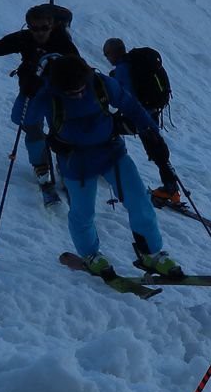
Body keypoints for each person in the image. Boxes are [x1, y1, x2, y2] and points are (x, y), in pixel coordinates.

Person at [24, 54, 182, 277]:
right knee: (83, 213)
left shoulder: (99, 83)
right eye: (72, 93)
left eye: (81, 89)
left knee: (139, 200)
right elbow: (23, 119)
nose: (78, 95)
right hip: (75, 162)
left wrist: (152, 135)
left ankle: (151, 254)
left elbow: (131, 106)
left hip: (112, 153)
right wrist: (27, 93)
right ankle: (90, 255)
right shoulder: (47, 95)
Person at [0, 2, 79, 201]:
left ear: (53, 25)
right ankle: (42, 165)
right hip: (34, 91)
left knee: (60, 131)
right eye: (34, 28)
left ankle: (63, 165)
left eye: (44, 28)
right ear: (28, 26)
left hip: (55, 94)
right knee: (31, 126)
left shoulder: (63, 42)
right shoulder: (24, 38)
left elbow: (78, 69)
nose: (39, 32)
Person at [102, 38, 180, 206]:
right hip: (152, 111)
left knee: (109, 128)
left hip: (140, 115)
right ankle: (172, 188)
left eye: (107, 54)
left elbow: (128, 98)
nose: (106, 58)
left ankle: (170, 188)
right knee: (156, 147)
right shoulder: (135, 64)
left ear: (113, 53)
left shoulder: (124, 69)